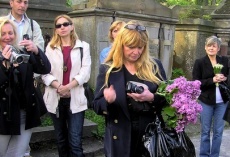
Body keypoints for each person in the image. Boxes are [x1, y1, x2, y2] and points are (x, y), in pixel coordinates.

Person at [93, 20, 167, 157]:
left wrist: (151, 97)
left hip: (150, 136)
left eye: (140, 47)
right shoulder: (108, 69)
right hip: (120, 137)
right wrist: (108, 100)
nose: (136, 52)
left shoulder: (154, 66)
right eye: (131, 47)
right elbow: (96, 105)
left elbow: (168, 98)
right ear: (121, 44)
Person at [0, 17, 51, 157]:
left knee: (17, 154)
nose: (7, 37)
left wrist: (36, 51)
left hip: (23, 113)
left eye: (10, 33)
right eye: (3, 33)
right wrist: (3, 65)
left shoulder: (22, 52)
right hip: (2, 116)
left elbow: (45, 68)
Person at [42, 14, 91, 157]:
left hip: (75, 98)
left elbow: (85, 73)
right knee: (61, 139)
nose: (62, 27)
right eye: (58, 25)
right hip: (56, 99)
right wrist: (59, 87)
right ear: (56, 30)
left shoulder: (84, 47)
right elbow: (45, 73)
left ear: (72, 26)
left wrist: (68, 87)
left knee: (75, 141)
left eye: (65, 24)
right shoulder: (50, 48)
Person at [192, 35, 229, 157]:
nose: (211, 48)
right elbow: (196, 82)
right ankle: (204, 155)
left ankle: (214, 155)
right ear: (205, 47)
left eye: (214, 46)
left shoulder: (224, 61)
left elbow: (229, 78)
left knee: (218, 131)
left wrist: (225, 78)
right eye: (209, 45)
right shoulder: (200, 62)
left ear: (218, 48)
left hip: (222, 102)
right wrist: (212, 80)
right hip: (206, 101)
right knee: (205, 131)